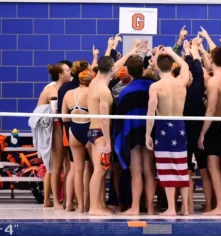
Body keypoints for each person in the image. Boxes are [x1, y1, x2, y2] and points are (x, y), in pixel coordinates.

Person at [87, 42, 139, 216]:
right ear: (110, 70)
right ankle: (94, 208)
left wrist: (131, 51)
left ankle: (99, 205)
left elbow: (113, 65)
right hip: (100, 134)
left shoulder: (95, 81)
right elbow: (104, 119)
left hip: (92, 132)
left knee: (99, 171)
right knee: (99, 171)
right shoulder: (104, 91)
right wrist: (108, 143)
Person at [145, 47, 190, 216]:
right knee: (181, 167)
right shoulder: (181, 81)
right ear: (172, 66)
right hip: (179, 126)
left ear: (157, 66)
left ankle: (171, 208)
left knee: (166, 167)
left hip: (163, 126)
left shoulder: (155, 87)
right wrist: (172, 52)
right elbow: (185, 66)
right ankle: (185, 207)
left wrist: (147, 134)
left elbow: (150, 113)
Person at [114, 55, 156, 216]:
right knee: (149, 170)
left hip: (132, 133)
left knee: (136, 171)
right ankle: (151, 207)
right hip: (149, 131)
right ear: (143, 70)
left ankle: (136, 207)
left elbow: (120, 119)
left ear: (129, 72)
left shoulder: (126, 92)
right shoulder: (153, 86)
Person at [197, 46, 221, 215]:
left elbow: (211, 110)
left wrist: (202, 133)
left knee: (213, 167)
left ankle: (219, 206)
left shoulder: (213, 82)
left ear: (212, 60)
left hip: (213, 126)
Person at [182, 38, 212, 214]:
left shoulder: (180, 89)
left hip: (184, 132)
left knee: (187, 169)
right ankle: (207, 205)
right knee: (204, 168)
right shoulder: (198, 86)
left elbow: (195, 71)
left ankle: (188, 207)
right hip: (199, 131)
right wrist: (193, 50)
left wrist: (186, 52)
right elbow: (199, 71)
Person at [37, 62, 72, 209]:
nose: (71, 73)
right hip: (55, 127)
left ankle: (59, 200)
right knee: (55, 166)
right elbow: (46, 111)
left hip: (63, 126)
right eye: (68, 70)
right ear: (60, 74)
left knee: (64, 166)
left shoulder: (65, 87)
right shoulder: (51, 89)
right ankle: (53, 201)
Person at [61, 67, 96, 212]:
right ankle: (91, 204)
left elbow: (64, 117)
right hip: (88, 130)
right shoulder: (92, 93)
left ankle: (80, 206)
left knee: (77, 170)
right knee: (95, 170)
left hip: (73, 132)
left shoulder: (69, 93)